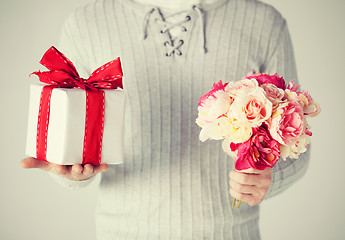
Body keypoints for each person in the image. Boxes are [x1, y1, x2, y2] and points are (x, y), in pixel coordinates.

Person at [21, 0, 310, 239]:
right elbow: (65, 142)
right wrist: (68, 172)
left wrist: (268, 179)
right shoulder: (86, 22)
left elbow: (297, 145)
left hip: (230, 233)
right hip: (121, 232)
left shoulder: (265, 23)